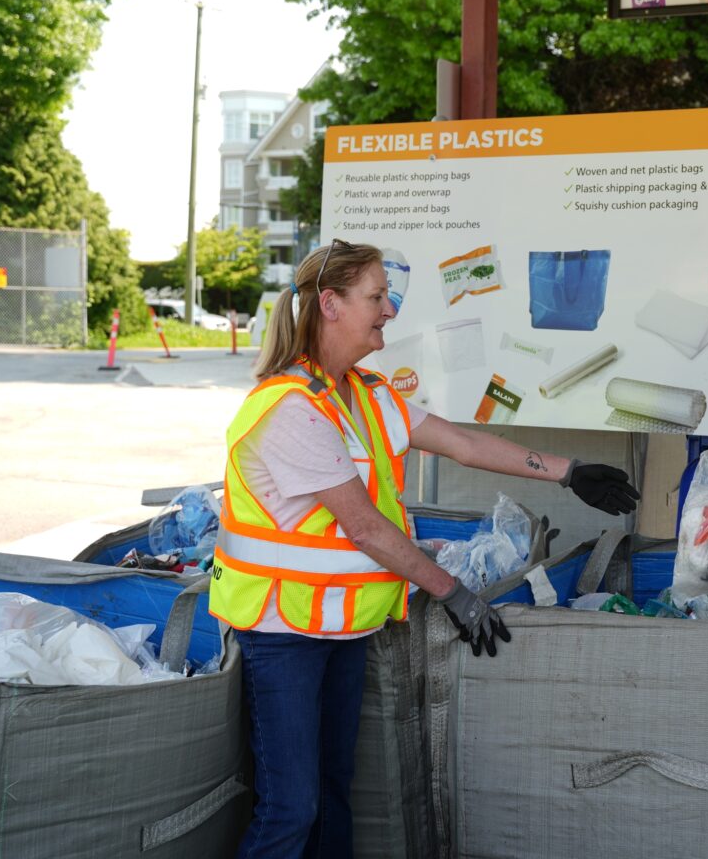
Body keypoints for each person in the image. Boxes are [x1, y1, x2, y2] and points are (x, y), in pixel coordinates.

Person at [209, 240, 639, 858]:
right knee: (290, 808)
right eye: (377, 297)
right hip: (284, 633)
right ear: (330, 304)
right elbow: (366, 529)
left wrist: (570, 471)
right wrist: (454, 594)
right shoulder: (289, 410)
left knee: (331, 795)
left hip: (342, 628)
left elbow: (463, 445)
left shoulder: (366, 393)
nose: (390, 310)